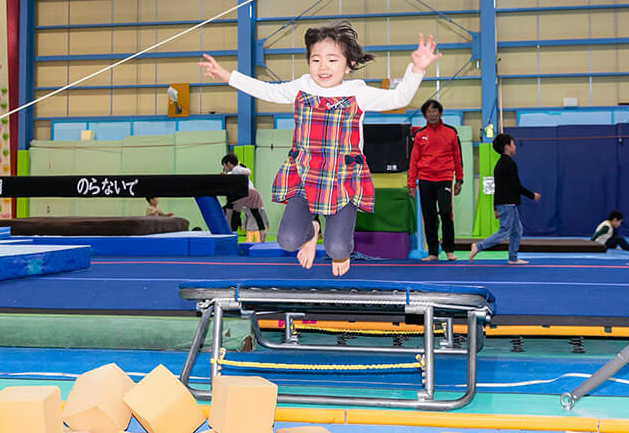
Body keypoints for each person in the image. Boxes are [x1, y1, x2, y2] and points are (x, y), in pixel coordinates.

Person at [200, 21, 439, 276]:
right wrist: (228, 76)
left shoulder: (356, 92)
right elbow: (266, 90)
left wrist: (417, 69)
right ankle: (312, 231)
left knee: (338, 249)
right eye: (316, 60)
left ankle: (337, 246)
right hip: (306, 174)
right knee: (287, 241)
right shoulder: (302, 87)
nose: (323, 66)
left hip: (342, 178)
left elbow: (399, 98)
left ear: (348, 65)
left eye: (332, 60)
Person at [470, 133, 540, 264]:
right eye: (513, 144)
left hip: (507, 204)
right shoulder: (509, 163)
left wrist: (495, 207)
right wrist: (532, 195)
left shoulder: (499, 164)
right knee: (504, 232)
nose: (515, 147)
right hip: (507, 204)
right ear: (507, 147)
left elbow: (497, 188)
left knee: (517, 231)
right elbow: (516, 186)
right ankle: (478, 246)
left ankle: (512, 258)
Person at [407, 99, 463, 261]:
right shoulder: (420, 135)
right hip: (425, 179)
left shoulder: (451, 132)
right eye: (428, 112)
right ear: (424, 116)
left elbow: (457, 157)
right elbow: (413, 160)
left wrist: (459, 179)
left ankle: (449, 250)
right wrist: (411, 183)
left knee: (446, 213)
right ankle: (433, 252)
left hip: (445, 179)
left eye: (434, 111)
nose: (432, 115)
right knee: (429, 215)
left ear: (440, 113)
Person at [221, 154, 269, 242]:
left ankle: (228, 228)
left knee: (229, 204)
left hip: (247, 192)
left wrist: (243, 174)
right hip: (253, 193)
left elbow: (247, 171)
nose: (224, 168)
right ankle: (262, 231)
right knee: (255, 213)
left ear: (228, 164)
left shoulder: (236, 169)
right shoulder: (234, 171)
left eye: (224, 166)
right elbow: (231, 175)